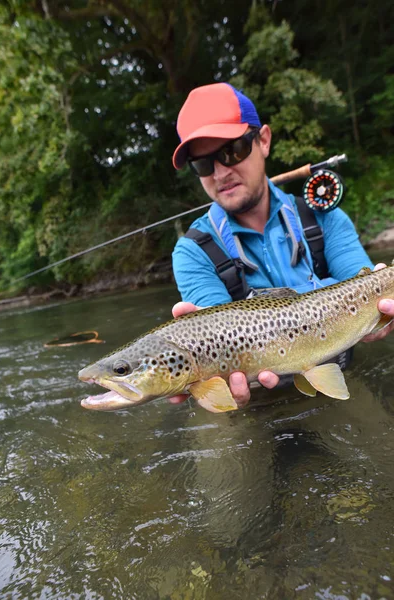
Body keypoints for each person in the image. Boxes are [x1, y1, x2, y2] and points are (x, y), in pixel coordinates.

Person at [169, 82, 394, 407]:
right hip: (254, 401)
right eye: (203, 164)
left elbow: (363, 286)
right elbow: (211, 328)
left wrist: (383, 302)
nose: (220, 173)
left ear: (263, 140)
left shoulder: (324, 218)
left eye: (231, 151)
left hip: (341, 374)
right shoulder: (192, 251)